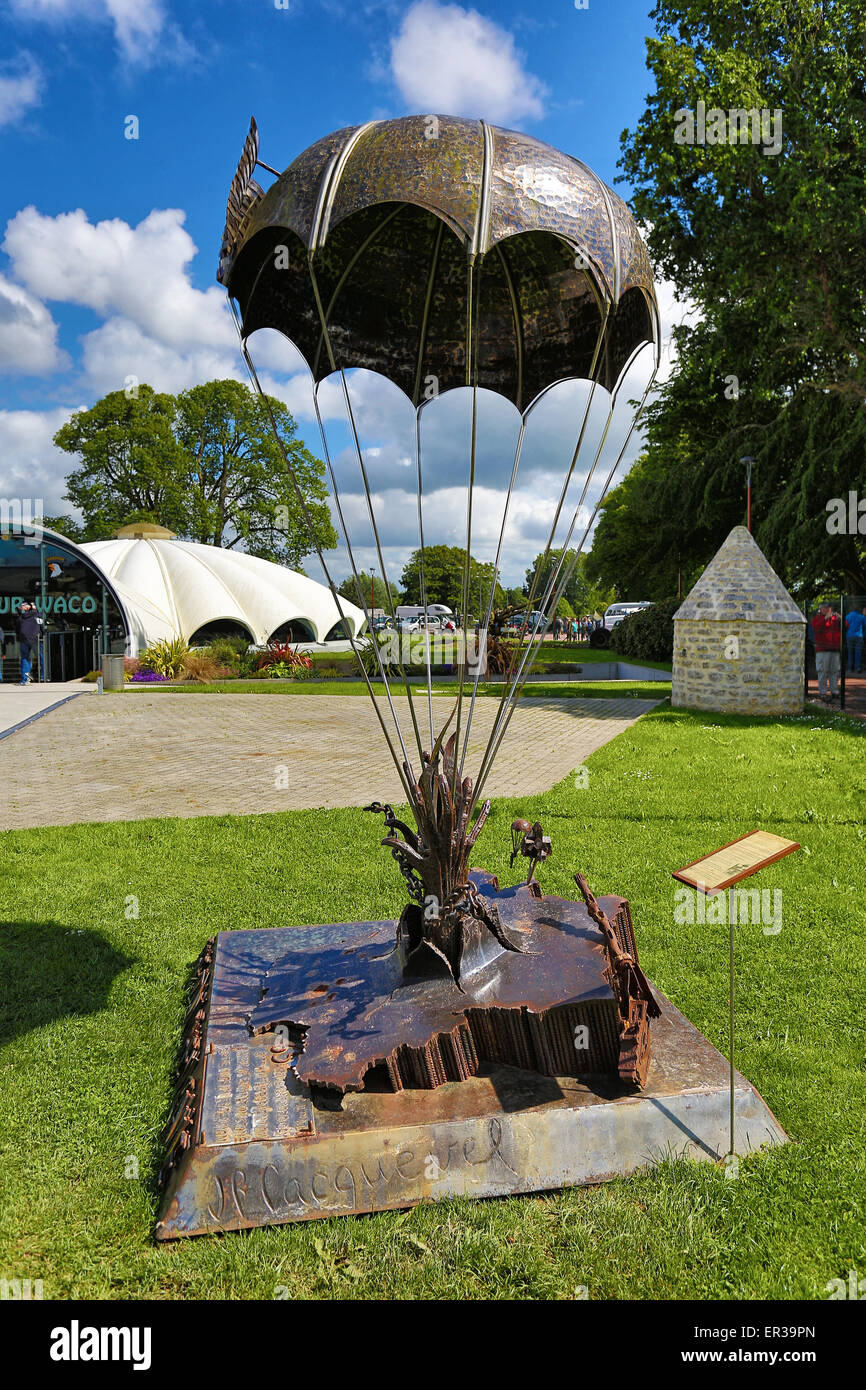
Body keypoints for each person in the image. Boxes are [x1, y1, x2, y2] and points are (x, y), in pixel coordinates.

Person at [811, 602, 841, 702]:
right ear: (821, 609)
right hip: (822, 650)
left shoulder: (834, 619)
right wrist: (825, 619)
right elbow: (816, 628)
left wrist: (841, 619)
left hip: (835, 649)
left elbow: (846, 626)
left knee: (834, 671)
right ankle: (823, 693)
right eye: (826, 608)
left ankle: (834, 692)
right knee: (822, 672)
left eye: (829, 608)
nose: (828, 610)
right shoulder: (817, 618)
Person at [15, 602, 42, 685]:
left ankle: (25, 678)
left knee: (25, 658)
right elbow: (41, 624)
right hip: (34, 639)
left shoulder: (21, 617)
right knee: (41, 657)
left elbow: (17, 629)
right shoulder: (37, 615)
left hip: (23, 639)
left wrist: (18, 637)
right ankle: (43, 676)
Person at [844, 605, 865, 675]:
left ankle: (850, 668)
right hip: (859, 636)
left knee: (850, 652)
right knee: (858, 652)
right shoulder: (861, 617)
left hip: (849, 636)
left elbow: (844, 626)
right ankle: (858, 667)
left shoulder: (847, 616)